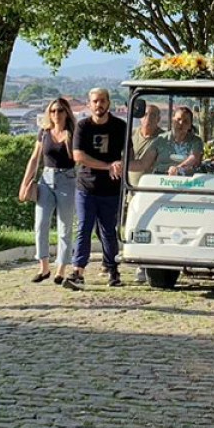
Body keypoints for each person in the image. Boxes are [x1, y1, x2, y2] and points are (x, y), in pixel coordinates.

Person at [69, 87, 128, 290]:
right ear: (89, 104)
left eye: (102, 100)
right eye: (95, 101)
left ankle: (113, 268)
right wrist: (106, 166)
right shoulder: (83, 126)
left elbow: (128, 154)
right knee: (84, 228)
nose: (99, 104)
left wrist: (119, 163)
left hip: (111, 189)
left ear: (108, 103)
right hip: (86, 186)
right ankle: (78, 271)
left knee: (108, 230)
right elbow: (78, 156)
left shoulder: (120, 126)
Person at [22, 97, 79, 284]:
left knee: (65, 227)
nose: (56, 114)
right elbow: (34, 158)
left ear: (67, 112)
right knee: (40, 224)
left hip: (67, 180)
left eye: (60, 110)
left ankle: (61, 269)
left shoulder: (73, 133)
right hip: (46, 179)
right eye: (53, 111)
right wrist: (26, 181)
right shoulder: (44, 133)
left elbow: (80, 158)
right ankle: (43, 267)